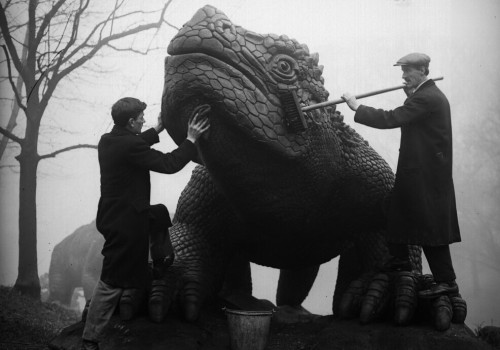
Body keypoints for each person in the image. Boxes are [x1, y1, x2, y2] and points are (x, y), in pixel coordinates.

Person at [81, 97, 210, 350]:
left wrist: (158, 130)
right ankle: (90, 340)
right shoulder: (130, 146)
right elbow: (169, 164)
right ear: (130, 122)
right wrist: (191, 140)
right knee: (111, 282)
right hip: (126, 223)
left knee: (159, 213)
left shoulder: (108, 141)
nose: (143, 119)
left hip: (116, 214)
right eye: (140, 117)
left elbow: (132, 143)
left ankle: (161, 259)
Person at [341, 53, 461, 300]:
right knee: (393, 207)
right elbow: (412, 117)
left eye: (408, 71)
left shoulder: (427, 97)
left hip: (425, 175)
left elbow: (393, 118)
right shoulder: (425, 95)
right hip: (422, 173)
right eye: (403, 71)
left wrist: (357, 108)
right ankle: (400, 261)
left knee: (428, 227)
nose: (403, 76)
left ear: (422, 71)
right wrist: (411, 96)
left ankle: (447, 282)